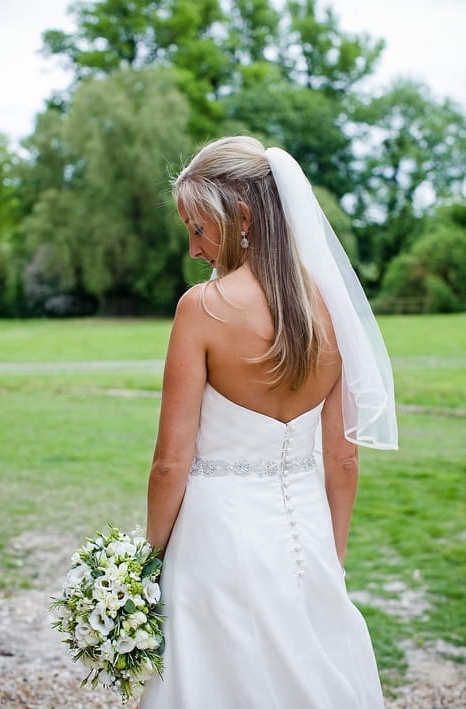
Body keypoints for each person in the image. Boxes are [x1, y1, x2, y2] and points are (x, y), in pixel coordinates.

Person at [140, 136, 398, 709]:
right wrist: (331, 558)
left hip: (215, 539)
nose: (193, 249)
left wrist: (148, 562)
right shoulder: (332, 310)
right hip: (305, 532)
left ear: (243, 217)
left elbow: (169, 463)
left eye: (198, 227)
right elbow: (344, 457)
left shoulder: (201, 309)